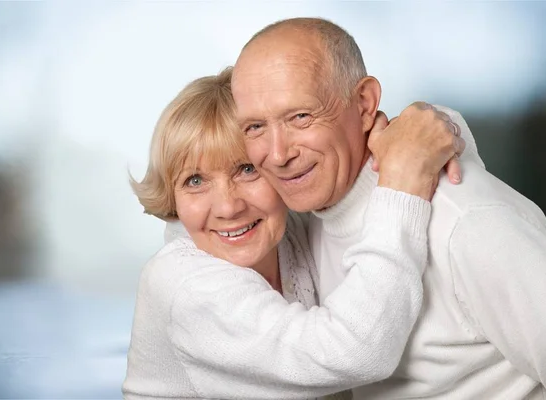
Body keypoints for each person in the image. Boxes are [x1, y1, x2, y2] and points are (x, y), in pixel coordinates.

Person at [230, 17, 546, 399]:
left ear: (365, 103)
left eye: (300, 117)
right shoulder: (304, 221)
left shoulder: (468, 223)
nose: (278, 154)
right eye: (255, 127)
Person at [123, 68, 464, 399]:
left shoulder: (291, 229)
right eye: (194, 181)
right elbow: (353, 352)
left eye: (246, 170)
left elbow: (408, 146)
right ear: (173, 195)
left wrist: (415, 130)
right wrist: (403, 185)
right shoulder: (183, 285)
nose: (228, 208)